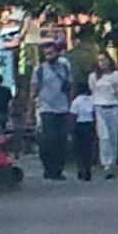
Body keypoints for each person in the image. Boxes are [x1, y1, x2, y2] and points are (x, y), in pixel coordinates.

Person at [32, 52, 73, 181]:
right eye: (47, 53)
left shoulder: (65, 67)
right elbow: (34, 89)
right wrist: (30, 110)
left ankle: (58, 170)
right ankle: (48, 168)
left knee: (62, 140)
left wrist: (71, 104)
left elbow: (70, 85)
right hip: (46, 108)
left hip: (63, 108)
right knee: (50, 139)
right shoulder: (39, 70)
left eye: (52, 52)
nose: (50, 55)